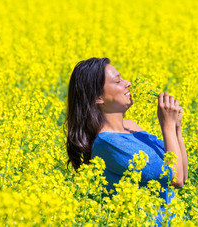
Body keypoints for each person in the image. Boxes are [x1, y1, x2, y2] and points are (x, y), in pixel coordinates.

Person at [65, 57, 188, 225]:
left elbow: (183, 174)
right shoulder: (109, 144)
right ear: (98, 98)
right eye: (117, 81)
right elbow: (175, 179)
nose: (128, 83)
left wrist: (176, 128)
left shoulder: (132, 127)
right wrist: (166, 126)